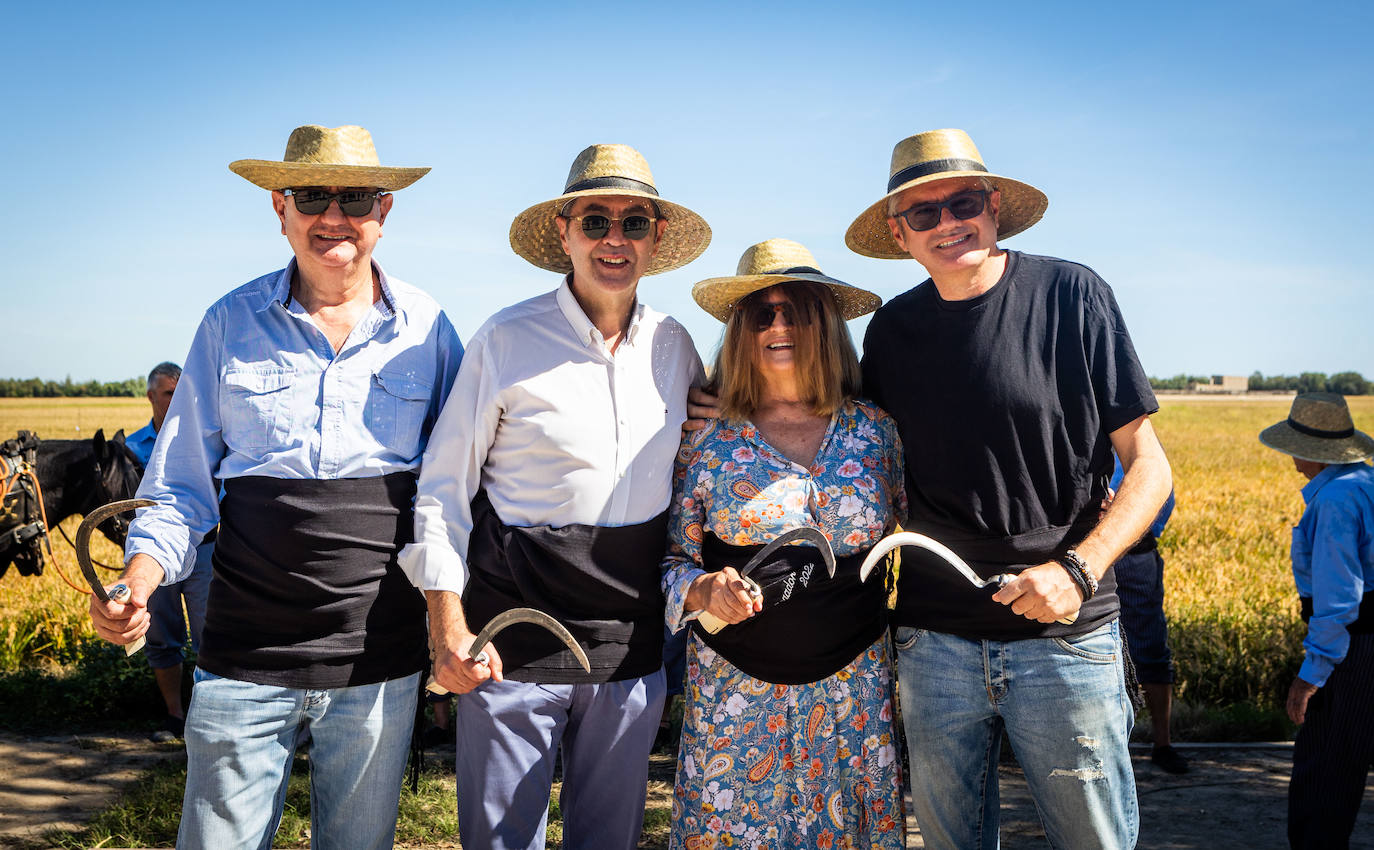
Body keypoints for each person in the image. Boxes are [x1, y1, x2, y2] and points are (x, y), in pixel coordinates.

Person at [88, 124, 462, 850]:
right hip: (243, 660)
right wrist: (137, 583)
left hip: (376, 663)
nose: (334, 215)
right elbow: (180, 489)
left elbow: (453, 491)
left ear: (384, 210)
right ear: (278, 207)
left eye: (354, 196)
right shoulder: (229, 323)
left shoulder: (431, 331)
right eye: (311, 195)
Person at [848, 128, 1173, 849]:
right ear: (899, 234)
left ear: (993, 206)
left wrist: (1078, 571)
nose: (947, 224)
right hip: (935, 646)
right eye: (923, 214)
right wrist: (720, 406)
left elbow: (1150, 469)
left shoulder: (1073, 295)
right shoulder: (892, 331)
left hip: (1066, 637)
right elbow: (845, 440)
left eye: (961, 201)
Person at [400, 144, 709, 850]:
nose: (614, 238)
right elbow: (444, 488)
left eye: (634, 222)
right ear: (564, 233)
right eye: (595, 220)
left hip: (631, 658)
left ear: (656, 238)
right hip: (510, 651)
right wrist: (446, 626)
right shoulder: (507, 339)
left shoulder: (677, 346)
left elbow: (699, 462)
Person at [664, 239, 906, 848]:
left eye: (796, 310)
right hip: (736, 699)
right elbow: (667, 559)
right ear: (741, 332)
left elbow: (919, 534)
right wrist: (700, 588)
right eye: (761, 313)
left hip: (854, 695)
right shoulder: (705, 439)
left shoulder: (875, 431)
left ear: (824, 326)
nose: (779, 325)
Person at [1258, 392, 1374, 849]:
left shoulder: (1334, 503)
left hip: (1353, 648)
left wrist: (1310, 677)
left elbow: (1340, 601)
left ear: (1305, 449)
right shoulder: (1365, 483)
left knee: (1325, 774)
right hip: (1363, 642)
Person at [125, 361, 212, 744]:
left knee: (211, 633)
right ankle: (175, 717)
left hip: (207, 551)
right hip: (153, 558)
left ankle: (208, 720)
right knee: (161, 635)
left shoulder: (204, 445)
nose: (174, 400)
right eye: (166, 393)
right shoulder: (130, 449)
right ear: (150, 396)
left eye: (180, 394)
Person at [1109, 454, 1189, 774]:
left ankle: (1161, 744)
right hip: (1119, 556)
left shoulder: (1134, 449)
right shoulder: (1133, 442)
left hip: (1132, 555)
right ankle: (1158, 745)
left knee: (1149, 650)